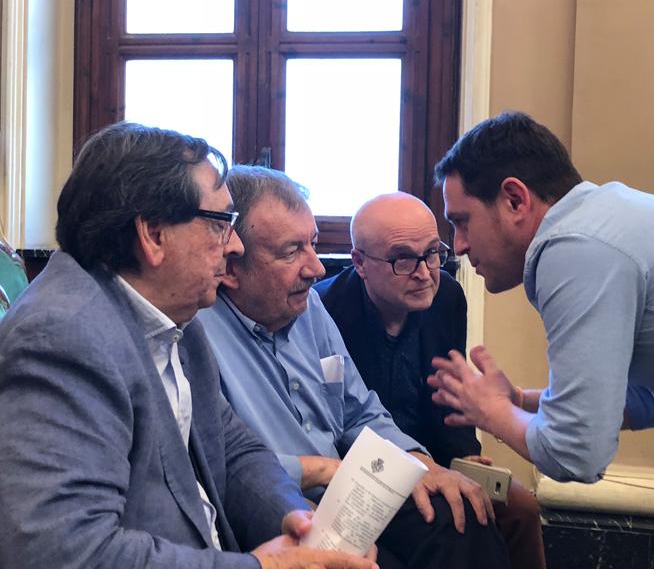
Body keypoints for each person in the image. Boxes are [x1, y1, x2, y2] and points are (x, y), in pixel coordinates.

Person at [426, 110, 654, 568]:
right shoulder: (604, 223)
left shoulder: (574, 247)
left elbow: (577, 454)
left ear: (515, 199)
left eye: (462, 221)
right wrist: (522, 402)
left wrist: (493, 413)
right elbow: (650, 399)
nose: (460, 244)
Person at [0, 122, 377, 569]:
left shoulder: (178, 318)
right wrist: (263, 567)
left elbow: (234, 453)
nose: (235, 246)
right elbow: (60, 550)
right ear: (153, 235)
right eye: (221, 224)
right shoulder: (62, 339)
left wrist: (300, 524)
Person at [197, 165, 511, 569]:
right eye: (291, 252)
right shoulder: (196, 333)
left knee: (462, 516)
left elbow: (359, 410)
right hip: (278, 505)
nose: (316, 268)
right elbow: (219, 465)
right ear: (231, 266)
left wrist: (420, 463)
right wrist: (319, 471)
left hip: (351, 492)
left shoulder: (308, 306)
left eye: (313, 244)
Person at [315, 192, 547, 569]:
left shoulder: (447, 296)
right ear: (360, 262)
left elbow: (449, 389)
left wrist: (464, 456)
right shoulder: (324, 310)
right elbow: (339, 421)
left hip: (433, 454)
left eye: (433, 253)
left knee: (521, 509)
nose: (425, 273)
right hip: (365, 469)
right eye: (404, 260)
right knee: (462, 520)